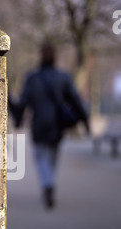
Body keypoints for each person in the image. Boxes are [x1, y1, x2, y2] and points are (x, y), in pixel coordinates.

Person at [15, 42, 90, 209]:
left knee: (41, 157)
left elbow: (22, 102)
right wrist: (85, 121)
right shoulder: (63, 77)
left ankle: (47, 184)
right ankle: (49, 183)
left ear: (40, 56)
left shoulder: (32, 78)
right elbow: (76, 101)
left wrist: (18, 120)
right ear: (55, 57)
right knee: (52, 157)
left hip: (39, 126)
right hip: (57, 126)